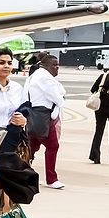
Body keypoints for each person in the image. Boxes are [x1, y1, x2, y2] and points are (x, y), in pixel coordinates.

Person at [26, 53, 66, 189]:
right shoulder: (45, 78)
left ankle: (25, 174)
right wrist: (61, 97)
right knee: (53, 146)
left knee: (32, 148)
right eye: (54, 65)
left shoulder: (34, 76)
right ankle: (51, 178)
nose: (57, 68)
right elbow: (59, 98)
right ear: (45, 65)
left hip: (33, 115)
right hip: (43, 117)